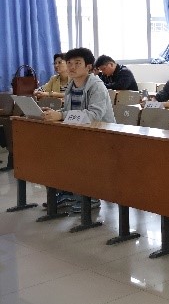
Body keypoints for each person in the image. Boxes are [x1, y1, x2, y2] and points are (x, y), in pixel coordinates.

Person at [42, 47, 115, 212]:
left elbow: (94, 115)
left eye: (77, 63)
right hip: (79, 133)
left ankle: (91, 198)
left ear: (88, 66)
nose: (72, 67)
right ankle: (67, 193)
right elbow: (69, 111)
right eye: (69, 63)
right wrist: (55, 113)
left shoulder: (97, 86)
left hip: (101, 135)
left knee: (79, 155)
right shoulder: (72, 85)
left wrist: (61, 115)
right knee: (52, 151)